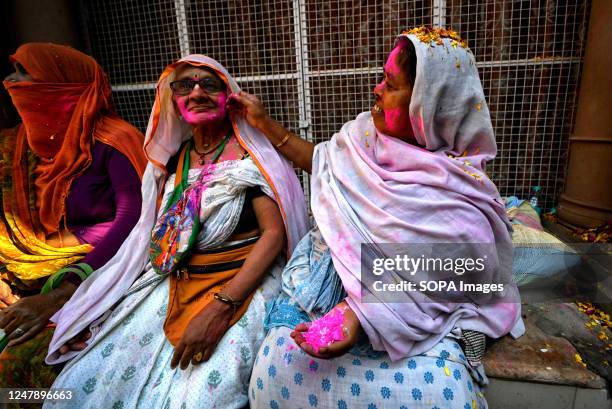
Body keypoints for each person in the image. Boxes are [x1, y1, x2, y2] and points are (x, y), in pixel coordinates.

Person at [230, 27, 524, 408]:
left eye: (391, 82)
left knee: (445, 395)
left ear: (429, 102)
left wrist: (361, 313)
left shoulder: (461, 187)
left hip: (404, 329)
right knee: (277, 372)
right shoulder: (361, 138)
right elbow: (321, 162)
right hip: (327, 283)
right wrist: (263, 123)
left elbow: (464, 271)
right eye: (382, 78)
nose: (376, 89)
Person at [43, 54, 308, 409]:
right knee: (83, 383)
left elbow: (274, 236)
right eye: (185, 85)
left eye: (209, 85)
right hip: (171, 281)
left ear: (229, 97)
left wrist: (221, 307)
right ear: (173, 99)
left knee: (199, 398)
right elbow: (152, 238)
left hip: (239, 283)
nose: (196, 92)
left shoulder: (251, 157)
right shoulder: (172, 162)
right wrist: (101, 303)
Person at [0, 43, 146, 388]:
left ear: (62, 86)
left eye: (25, 75)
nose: (11, 82)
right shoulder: (23, 146)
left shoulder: (116, 141)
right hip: (29, 272)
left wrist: (60, 293)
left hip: (101, 273)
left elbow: (134, 223)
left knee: (16, 366)